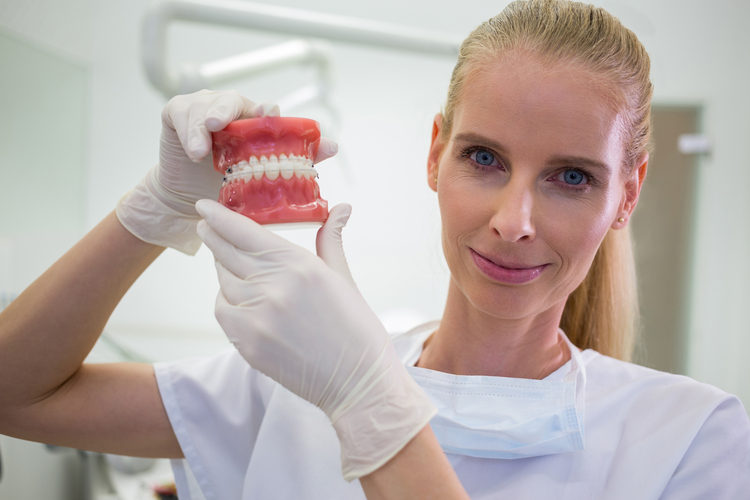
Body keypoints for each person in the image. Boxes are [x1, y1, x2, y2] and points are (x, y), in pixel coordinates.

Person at [0, 0, 748, 498]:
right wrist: (153, 211)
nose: (513, 220)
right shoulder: (295, 376)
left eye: (573, 177)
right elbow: (16, 393)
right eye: (484, 158)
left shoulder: (690, 439)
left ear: (627, 195)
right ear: (435, 154)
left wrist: (371, 403)